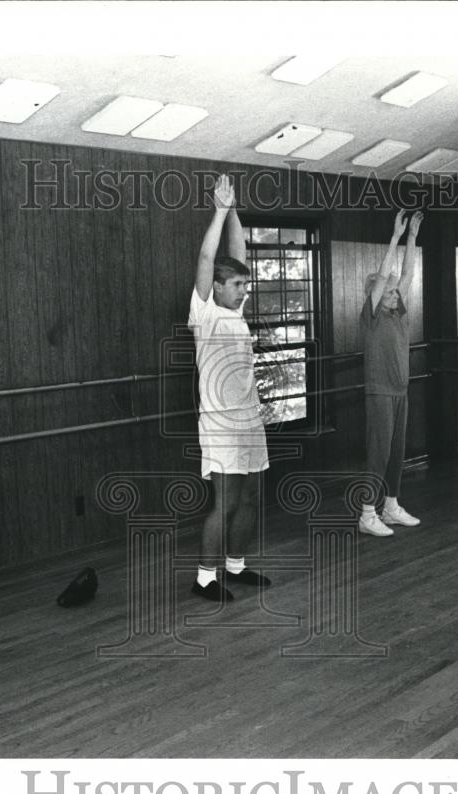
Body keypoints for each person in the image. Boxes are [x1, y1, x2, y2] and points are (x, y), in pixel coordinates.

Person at [187, 175, 271, 601]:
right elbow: (208, 255)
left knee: (252, 496)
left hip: (249, 420)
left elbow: (238, 254)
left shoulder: (236, 312)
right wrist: (219, 210)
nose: (244, 290)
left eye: (246, 284)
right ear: (216, 287)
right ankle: (206, 576)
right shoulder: (204, 311)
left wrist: (236, 208)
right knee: (224, 501)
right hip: (219, 424)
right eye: (238, 285)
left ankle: (235, 566)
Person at [358, 209, 424, 537]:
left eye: (395, 292)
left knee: (397, 451)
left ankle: (391, 505)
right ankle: (367, 513)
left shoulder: (400, 314)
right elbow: (384, 276)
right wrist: (395, 238)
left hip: (401, 391)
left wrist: (412, 238)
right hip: (380, 391)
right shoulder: (371, 318)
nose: (394, 294)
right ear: (375, 295)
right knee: (380, 451)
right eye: (388, 292)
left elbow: (407, 274)